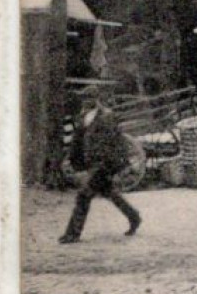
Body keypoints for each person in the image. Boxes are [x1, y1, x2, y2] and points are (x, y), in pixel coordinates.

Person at [59, 94, 142, 244]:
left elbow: (116, 141)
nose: (87, 101)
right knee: (110, 193)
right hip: (92, 164)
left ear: (97, 100)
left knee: (83, 196)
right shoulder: (83, 117)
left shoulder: (107, 116)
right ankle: (134, 217)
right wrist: (73, 161)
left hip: (103, 164)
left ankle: (72, 234)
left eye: (90, 98)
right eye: (85, 98)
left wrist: (114, 164)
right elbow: (77, 142)